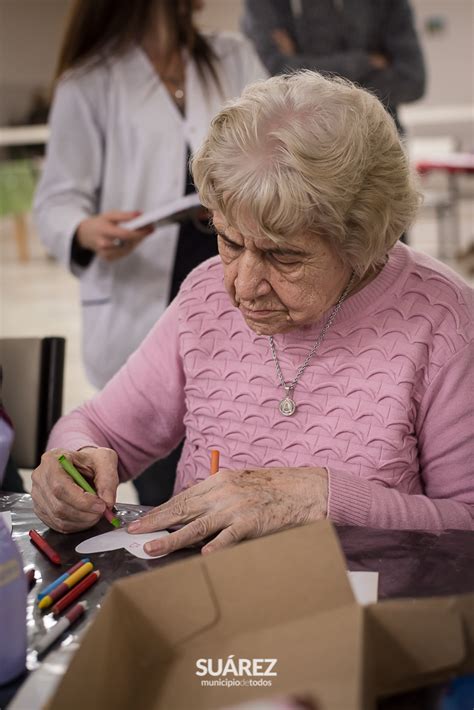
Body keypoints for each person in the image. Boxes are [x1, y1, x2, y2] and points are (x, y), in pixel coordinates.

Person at [31, 71, 473, 554]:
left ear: (365, 240)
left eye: (283, 256)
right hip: (210, 604)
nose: (242, 287)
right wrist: (73, 462)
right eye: (228, 241)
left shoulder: (443, 322)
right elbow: (99, 428)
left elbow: (467, 519)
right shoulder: (204, 296)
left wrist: (322, 497)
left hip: (368, 615)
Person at [33, 0, 266, 505]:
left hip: (233, 279)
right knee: (168, 485)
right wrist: (83, 229)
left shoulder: (234, 57)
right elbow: (56, 200)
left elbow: (276, 148)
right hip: (140, 295)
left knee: (241, 443)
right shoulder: (90, 81)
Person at [241, 0, 426, 134]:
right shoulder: (265, 6)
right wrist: (366, 62)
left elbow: (412, 81)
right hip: (304, 150)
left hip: (379, 142)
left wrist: (300, 66)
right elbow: (276, 76)